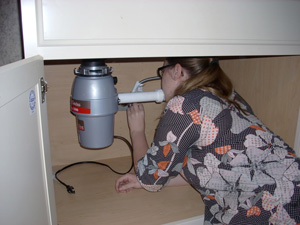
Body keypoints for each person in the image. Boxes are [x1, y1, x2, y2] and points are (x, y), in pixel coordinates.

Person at [115, 57, 300, 225]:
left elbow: (149, 179)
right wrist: (152, 178)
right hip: (292, 195)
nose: (162, 79)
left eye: (162, 71)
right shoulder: (227, 94)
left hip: (267, 210)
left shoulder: (184, 105)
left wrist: (136, 130)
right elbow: (208, 169)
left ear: (177, 70)